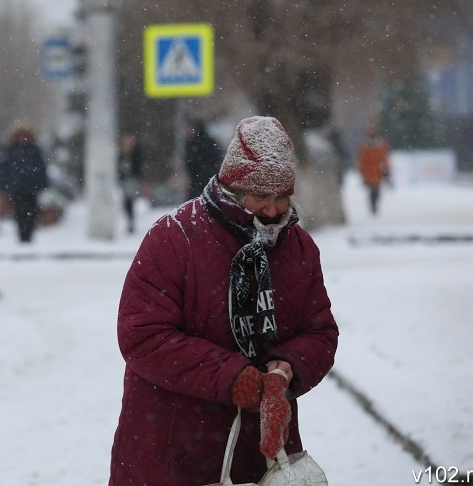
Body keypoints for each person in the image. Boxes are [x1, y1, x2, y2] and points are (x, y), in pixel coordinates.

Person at [109, 116, 339, 485]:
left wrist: (284, 372)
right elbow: (143, 337)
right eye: (261, 196)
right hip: (172, 451)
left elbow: (320, 331)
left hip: (261, 454)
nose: (273, 209)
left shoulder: (298, 247)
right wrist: (232, 377)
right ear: (232, 188)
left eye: (282, 197)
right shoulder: (174, 238)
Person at [0, 125, 49, 243]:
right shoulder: (10, 151)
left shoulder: (34, 150)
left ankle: (29, 235)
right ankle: (22, 235)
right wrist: (4, 186)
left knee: (31, 212)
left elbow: (41, 168)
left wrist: (41, 183)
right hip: (17, 189)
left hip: (31, 189)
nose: (22, 138)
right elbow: (4, 169)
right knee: (19, 212)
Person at [184, 118, 223, 200]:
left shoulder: (192, 144)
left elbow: (190, 163)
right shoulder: (212, 142)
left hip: (196, 182)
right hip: (210, 181)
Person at [357, 124, 390, 215]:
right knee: (372, 189)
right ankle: (372, 204)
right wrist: (361, 170)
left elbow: (385, 157)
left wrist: (386, 169)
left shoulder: (381, 144)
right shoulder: (364, 145)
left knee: (376, 189)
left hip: (377, 170)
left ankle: (374, 204)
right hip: (369, 171)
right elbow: (361, 159)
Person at [117, 133, 143, 234]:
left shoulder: (136, 152)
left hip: (133, 179)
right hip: (125, 179)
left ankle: (131, 221)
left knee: (130, 200)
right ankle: (129, 220)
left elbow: (137, 165)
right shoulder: (121, 153)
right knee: (126, 201)